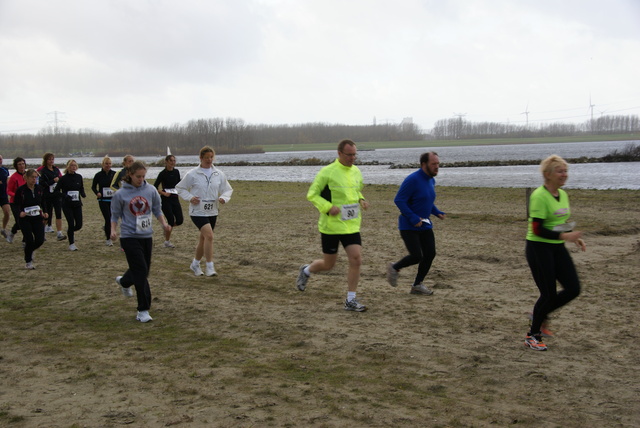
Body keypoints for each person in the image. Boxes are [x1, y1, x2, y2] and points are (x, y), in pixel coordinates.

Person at [296, 139, 370, 312]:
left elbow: (355, 190)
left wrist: (362, 199)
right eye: (349, 155)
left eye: (354, 155)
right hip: (331, 226)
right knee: (329, 265)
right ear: (339, 153)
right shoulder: (327, 172)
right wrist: (328, 207)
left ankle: (350, 300)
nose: (353, 158)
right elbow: (312, 194)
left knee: (356, 259)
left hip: (350, 225)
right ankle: (306, 270)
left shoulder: (357, 172)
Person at [524, 154, 586, 351]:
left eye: (566, 171)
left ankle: (540, 314)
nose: (564, 175)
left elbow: (559, 223)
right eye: (560, 171)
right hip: (538, 248)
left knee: (573, 288)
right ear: (547, 174)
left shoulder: (563, 194)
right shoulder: (539, 196)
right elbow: (537, 229)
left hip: (556, 246)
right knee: (548, 293)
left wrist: (572, 235)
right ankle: (533, 335)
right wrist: (565, 237)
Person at [110, 161, 171, 323]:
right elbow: (114, 215)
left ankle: (124, 281)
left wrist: (164, 224)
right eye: (138, 176)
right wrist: (113, 230)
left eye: (143, 176)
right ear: (129, 174)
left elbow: (157, 210)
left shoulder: (150, 190)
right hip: (129, 237)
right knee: (141, 271)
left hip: (146, 236)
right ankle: (143, 310)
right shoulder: (120, 194)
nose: (141, 179)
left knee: (142, 271)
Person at [386, 152, 446, 295]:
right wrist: (413, 217)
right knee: (416, 256)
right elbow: (399, 200)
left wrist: (436, 212)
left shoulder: (431, 180)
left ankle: (417, 285)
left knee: (430, 254)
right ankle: (394, 267)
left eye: (438, 164)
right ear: (423, 164)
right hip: (408, 225)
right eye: (433, 164)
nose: (437, 167)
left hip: (425, 224)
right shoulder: (412, 180)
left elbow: (426, 201)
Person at [176, 146, 233, 277]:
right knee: (210, 236)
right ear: (201, 158)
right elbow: (180, 188)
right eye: (206, 157)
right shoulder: (192, 174)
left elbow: (228, 189)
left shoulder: (219, 174)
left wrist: (224, 198)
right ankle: (209, 266)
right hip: (197, 212)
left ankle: (195, 264)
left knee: (203, 239)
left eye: (211, 157)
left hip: (212, 211)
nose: (209, 160)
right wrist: (190, 198)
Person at [14, 169, 48, 269]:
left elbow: (43, 202)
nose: (34, 179)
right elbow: (16, 205)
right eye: (32, 177)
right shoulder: (21, 190)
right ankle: (28, 262)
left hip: (37, 217)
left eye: (35, 177)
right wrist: (20, 212)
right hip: (25, 219)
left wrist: (45, 212)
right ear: (27, 178)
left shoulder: (39, 189)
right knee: (29, 240)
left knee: (40, 240)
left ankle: (29, 251)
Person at [54, 159, 86, 251]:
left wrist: (83, 193)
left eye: (75, 165)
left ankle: (70, 231)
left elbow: (81, 187)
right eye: (71, 165)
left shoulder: (79, 177)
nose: (73, 167)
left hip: (77, 204)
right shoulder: (63, 179)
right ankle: (71, 244)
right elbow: (56, 191)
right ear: (68, 167)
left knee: (79, 225)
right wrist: (65, 196)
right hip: (67, 204)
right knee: (71, 223)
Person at [153, 154, 183, 248]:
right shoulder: (162, 173)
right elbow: (154, 187)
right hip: (166, 200)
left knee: (179, 220)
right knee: (170, 220)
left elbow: (179, 184)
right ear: (166, 162)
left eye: (174, 161)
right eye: (171, 161)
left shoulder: (176, 172)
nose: (173, 163)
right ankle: (167, 242)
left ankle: (166, 228)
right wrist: (163, 193)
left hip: (175, 198)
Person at [36, 153, 67, 241]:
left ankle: (59, 233)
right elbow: (41, 184)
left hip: (56, 195)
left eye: (52, 159)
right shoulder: (43, 171)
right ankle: (42, 232)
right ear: (46, 160)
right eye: (49, 159)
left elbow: (61, 179)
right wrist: (52, 181)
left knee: (58, 214)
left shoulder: (56, 169)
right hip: (47, 195)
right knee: (47, 215)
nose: (51, 161)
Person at [91, 156, 116, 246]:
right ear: (103, 164)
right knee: (108, 218)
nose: (108, 165)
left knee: (112, 219)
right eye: (106, 164)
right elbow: (93, 187)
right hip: (103, 200)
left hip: (113, 200)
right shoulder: (98, 175)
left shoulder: (114, 174)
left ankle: (107, 229)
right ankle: (108, 239)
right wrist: (97, 192)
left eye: (109, 164)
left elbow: (118, 185)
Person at [6, 157, 27, 244]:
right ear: (16, 166)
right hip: (15, 202)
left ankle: (24, 241)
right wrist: (16, 195)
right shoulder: (14, 177)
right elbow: (8, 191)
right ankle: (12, 233)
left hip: (26, 202)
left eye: (23, 164)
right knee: (19, 221)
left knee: (27, 221)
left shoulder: (28, 175)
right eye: (19, 164)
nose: (21, 166)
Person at [0, 154, 11, 239]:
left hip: (3, 195)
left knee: (7, 213)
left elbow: (8, 180)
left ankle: (3, 229)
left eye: (0, 159)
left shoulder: (5, 170)